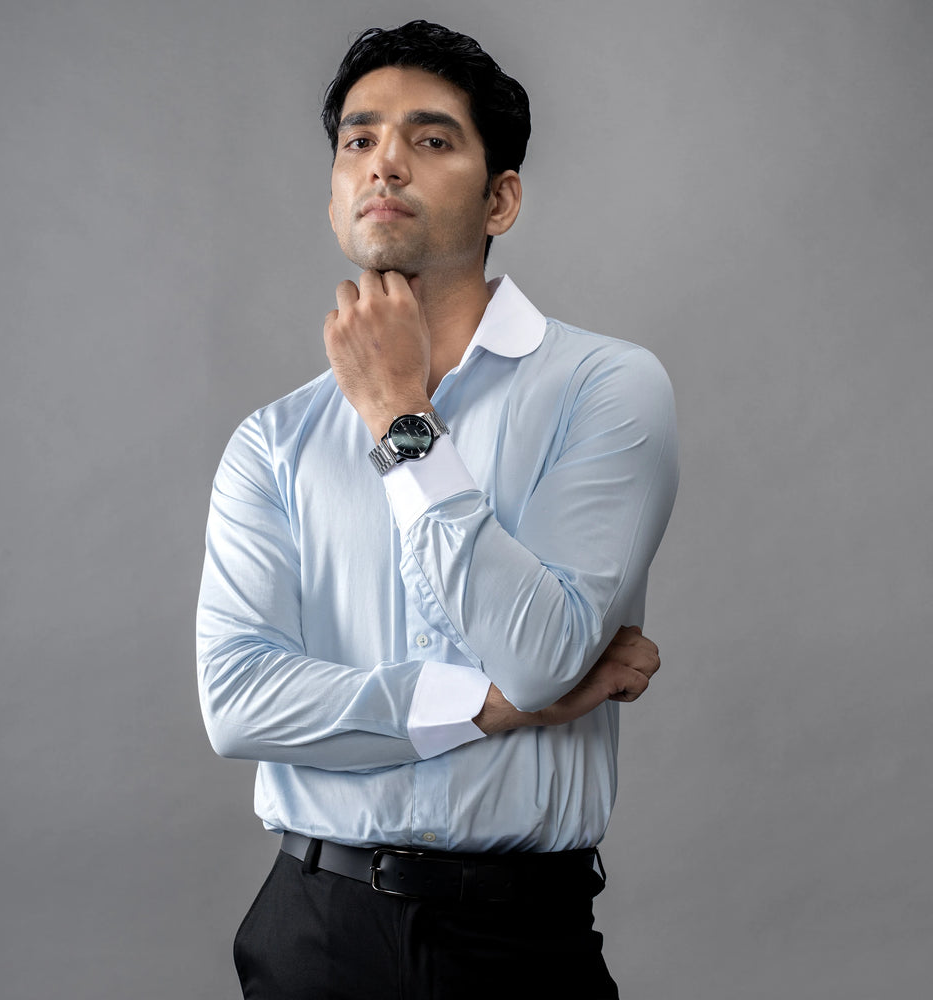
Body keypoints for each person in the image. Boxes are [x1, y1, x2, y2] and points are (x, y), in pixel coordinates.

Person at [196, 19, 678, 1000]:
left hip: (517, 941)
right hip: (312, 932)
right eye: (358, 140)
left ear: (500, 195)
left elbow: (542, 653)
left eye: (430, 139)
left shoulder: (609, 387)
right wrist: (489, 707)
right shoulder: (272, 442)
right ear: (334, 189)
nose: (385, 165)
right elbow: (237, 701)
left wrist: (398, 416)